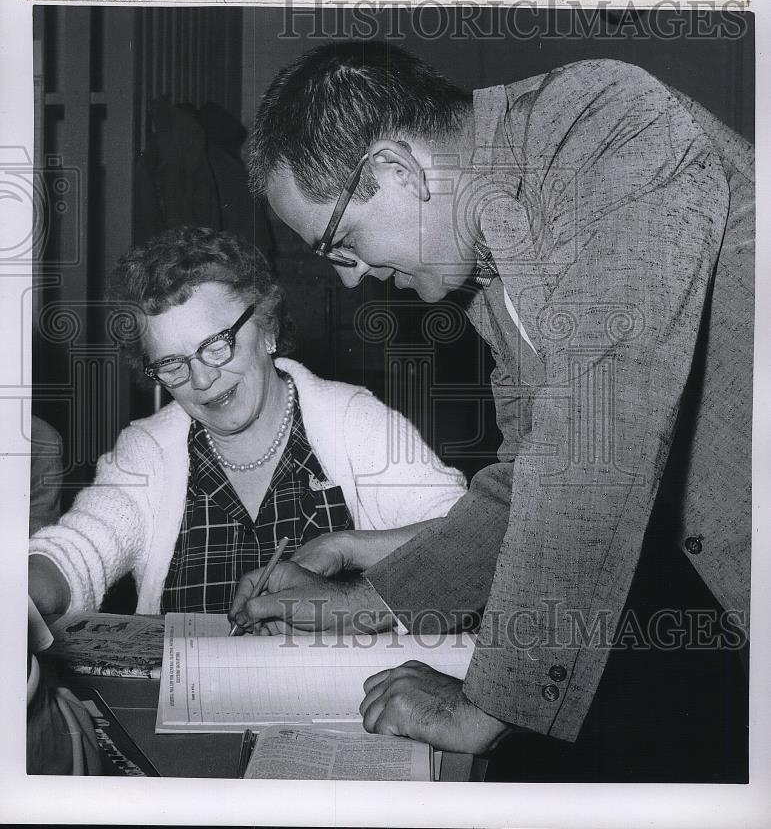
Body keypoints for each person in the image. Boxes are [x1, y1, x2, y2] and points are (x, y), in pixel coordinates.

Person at [234, 41, 752, 774]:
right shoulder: (493, 264)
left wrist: (486, 705)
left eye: (340, 243)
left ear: (395, 171)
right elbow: (522, 480)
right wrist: (373, 599)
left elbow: (591, 443)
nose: (350, 282)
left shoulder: (608, 121)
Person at [28, 227, 466, 620]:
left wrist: (349, 546)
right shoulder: (146, 450)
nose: (202, 380)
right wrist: (21, 596)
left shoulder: (355, 423)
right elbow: (79, 550)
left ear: (267, 326)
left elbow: (470, 537)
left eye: (217, 345)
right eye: (172, 364)